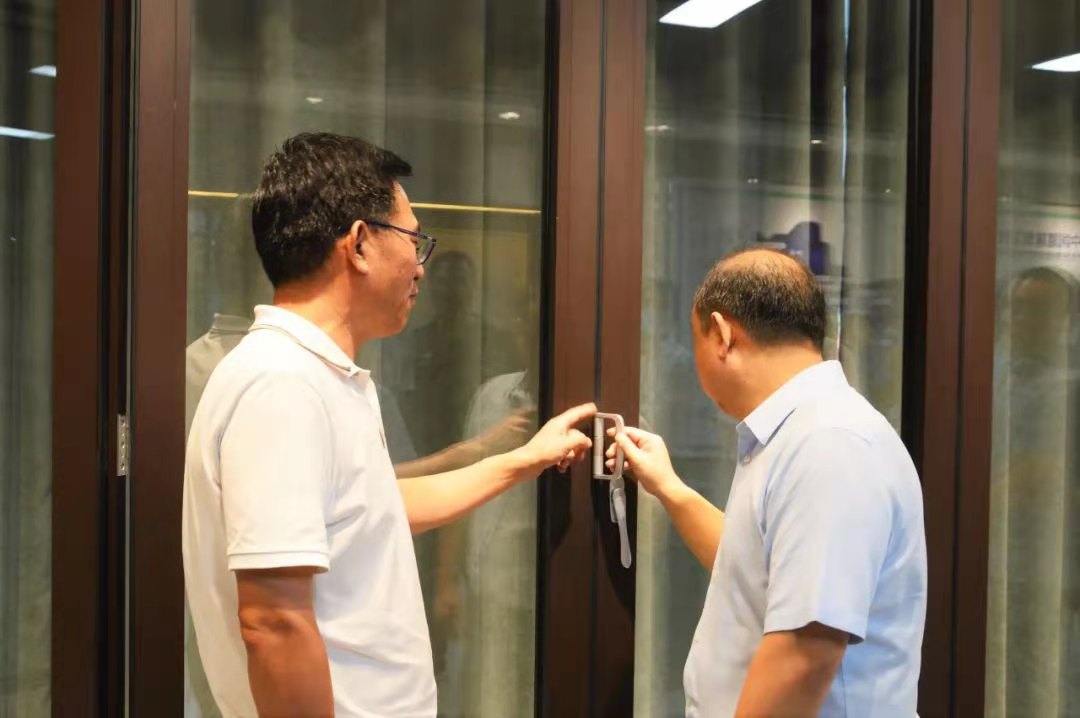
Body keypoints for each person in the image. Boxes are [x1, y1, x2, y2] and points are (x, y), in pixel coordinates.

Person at [182, 132, 595, 718]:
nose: (420, 267)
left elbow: (378, 506)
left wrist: (522, 460)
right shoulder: (283, 383)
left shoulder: (319, 374)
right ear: (358, 244)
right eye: (413, 240)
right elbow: (273, 622)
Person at [608, 248, 926, 717]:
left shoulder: (828, 442)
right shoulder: (798, 432)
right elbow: (758, 569)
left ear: (722, 334)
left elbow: (805, 655)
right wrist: (669, 488)